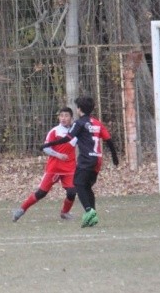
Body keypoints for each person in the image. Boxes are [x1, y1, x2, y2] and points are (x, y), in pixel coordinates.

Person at [42, 96, 118, 228]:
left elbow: (67, 138)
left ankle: (89, 212)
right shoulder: (97, 123)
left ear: (79, 109)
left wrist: (46, 145)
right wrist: (115, 157)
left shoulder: (80, 123)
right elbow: (109, 140)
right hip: (97, 159)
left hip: (86, 160)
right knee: (87, 187)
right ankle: (93, 216)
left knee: (78, 184)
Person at [12, 107, 76, 222]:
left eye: (66, 116)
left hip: (69, 168)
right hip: (54, 167)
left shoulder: (76, 131)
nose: (63, 118)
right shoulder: (54, 131)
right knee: (41, 193)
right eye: (61, 116)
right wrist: (58, 155)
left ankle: (65, 212)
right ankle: (21, 209)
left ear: (71, 118)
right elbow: (46, 148)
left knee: (72, 192)